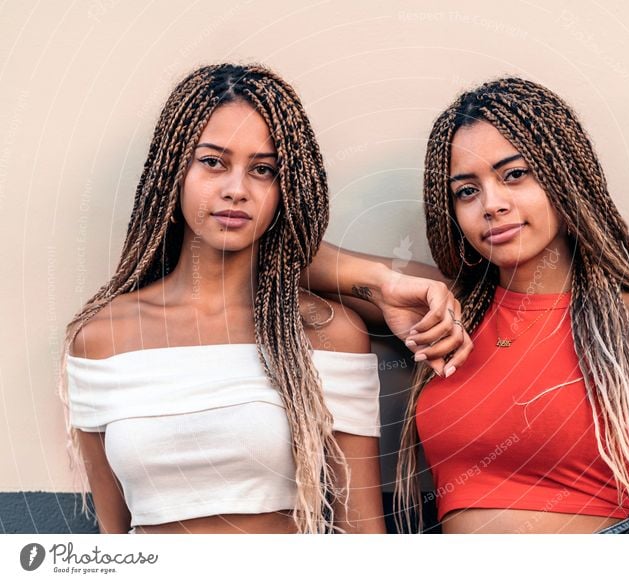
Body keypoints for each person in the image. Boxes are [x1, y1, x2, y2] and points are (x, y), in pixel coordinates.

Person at [60, 63, 469, 534]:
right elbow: (114, 543)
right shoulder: (101, 339)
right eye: (213, 162)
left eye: (262, 170)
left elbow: (362, 537)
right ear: (174, 173)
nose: (237, 190)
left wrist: (375, 281)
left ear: (285, 191)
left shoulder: (325, 334)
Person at [395, 78, 629, 534]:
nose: (491, 204)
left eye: (514, 174)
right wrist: (382, 287)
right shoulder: (446, 312)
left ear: (562, 178)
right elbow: (299, 256)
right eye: (467, 191)